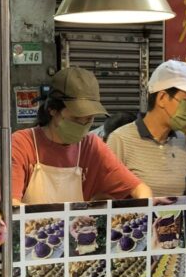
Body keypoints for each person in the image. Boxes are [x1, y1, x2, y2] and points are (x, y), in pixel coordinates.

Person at [10, 66, 151, 205]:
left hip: (79, 227)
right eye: (76, 118)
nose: (83, 125)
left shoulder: (91, 146)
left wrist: (143, 212)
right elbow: (11, 204)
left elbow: (140, 189)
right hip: (31, 227)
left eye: (89, 119)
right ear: (52, 109)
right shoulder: (23, 143)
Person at [106, 60, 186, 198]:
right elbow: (103, 197)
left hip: (173, 220)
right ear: (162, 98)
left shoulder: (181, 140)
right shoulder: (120, 139)